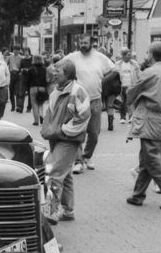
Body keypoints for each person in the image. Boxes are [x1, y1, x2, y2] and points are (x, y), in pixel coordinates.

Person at [126, 41, 161, 211]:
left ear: (151, 54)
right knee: (146, 159)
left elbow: (132, 91)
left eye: (147, 53)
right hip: (160, 118)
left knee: (151, 159)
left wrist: (130, 99)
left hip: (150, 118)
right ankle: (138, 195)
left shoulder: (150, 72)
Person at [40, 58, 91, 224]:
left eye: (58, 71)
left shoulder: (77, 91)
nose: (54, 73)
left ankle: (50, 212)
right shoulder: (56, 91)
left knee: (54, 173)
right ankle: (68, 211)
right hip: (57, 137)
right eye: (54, 70)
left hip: (67, 139)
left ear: (68, 74)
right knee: (65, 174)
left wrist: (64, 130)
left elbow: (83, 115)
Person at [66, 35, 114, 172]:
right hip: (78, 99)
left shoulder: (100, 57)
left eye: (85, 43)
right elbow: (58, 65)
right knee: (77, 131)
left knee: (94, 132)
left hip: (95, 99)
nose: (83, 45)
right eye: (81, 42)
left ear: (91, 43)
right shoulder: (73, 57)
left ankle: (87, 156)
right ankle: (78, 161)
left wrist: (103, 81)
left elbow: (115, 70)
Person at [112, 47, 140, 124]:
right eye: (128, 55)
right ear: (123, 56)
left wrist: (138, 83)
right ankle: (122, 117)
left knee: (130, 101)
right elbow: (114, 73)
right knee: (122, 102)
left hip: (131, 85)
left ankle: (131, 116)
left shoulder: (134, 64)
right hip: (121, 85)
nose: (130, 56)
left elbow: (138, 74)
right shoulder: (118, 64)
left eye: (130, 54)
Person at [27, 54, 48, 126]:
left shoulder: (30, 69)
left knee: (34, 104)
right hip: (42, 88)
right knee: (41, 103)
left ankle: (36, 121)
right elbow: (46, 79)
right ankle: (41, 115)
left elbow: (28, 80)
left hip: (33, 88)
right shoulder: (45, 69)